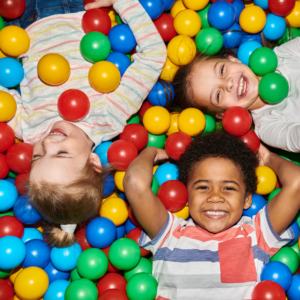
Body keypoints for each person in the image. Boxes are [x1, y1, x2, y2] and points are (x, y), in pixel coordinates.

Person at [0, 0, 167, 247]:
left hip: (21, 20)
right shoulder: (108, 115)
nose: (47, 142)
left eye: (37, 157)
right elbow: (153, 55)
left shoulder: (29, 129)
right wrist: (123, 3)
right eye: (62, 153)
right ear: (93, 161)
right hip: (73, 8)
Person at [124, 132, 300, 300]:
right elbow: (135, 182)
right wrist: (151, 152)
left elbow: (296, 181)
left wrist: (268, 159)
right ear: (186, 196)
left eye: (229, 188)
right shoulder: (170, 234)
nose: (215, 197)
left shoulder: (256, 234)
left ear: (247, 199)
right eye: (203, 187)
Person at [172, 37, 300, 153]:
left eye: (222, 70)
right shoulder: (268, 126)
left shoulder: (282, 55)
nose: (228, 84)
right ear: (223, 113)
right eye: (217, 95)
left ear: (233, 59)